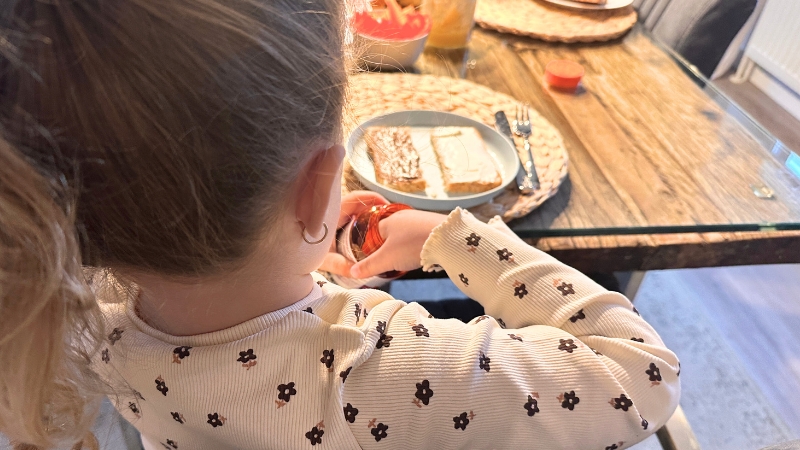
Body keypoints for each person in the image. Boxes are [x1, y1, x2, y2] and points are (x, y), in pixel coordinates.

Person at [0, 0, 680, 448]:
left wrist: (298, 252)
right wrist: (453, 238)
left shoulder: (82, 316)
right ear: (323, 184)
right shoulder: (383, 368)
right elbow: (642, 374)